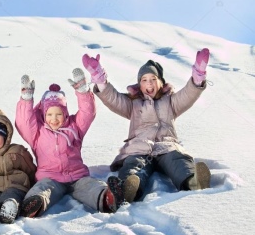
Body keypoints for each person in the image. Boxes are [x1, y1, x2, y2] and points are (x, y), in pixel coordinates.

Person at [82, 49, 212, 202]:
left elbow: (188, 95)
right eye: (144, 80)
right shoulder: (133, 103)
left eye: (153, 79)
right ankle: (128, 188)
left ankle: (192, 181)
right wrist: (99, 79)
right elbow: (113, 98)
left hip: (166, 146)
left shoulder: (170, 101)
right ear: (139, 84)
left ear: (161, 82)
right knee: (134, 165)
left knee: (178, 160)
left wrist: (198, 75)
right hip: (139, 148)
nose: (149, 83)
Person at [15, 68, 136, 218]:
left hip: (77, 176)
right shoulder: (37, 133)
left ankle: (108, 198)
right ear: (43, 115)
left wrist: (83, 91)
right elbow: (24, 122)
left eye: (59, 114)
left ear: (65, 113)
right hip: (50, 177)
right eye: (49, 114)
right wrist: (26, 99)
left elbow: (87, 112)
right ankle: (33, 204)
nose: (54, 119)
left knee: (91, 186)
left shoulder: (74, 127)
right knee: (42, 189)